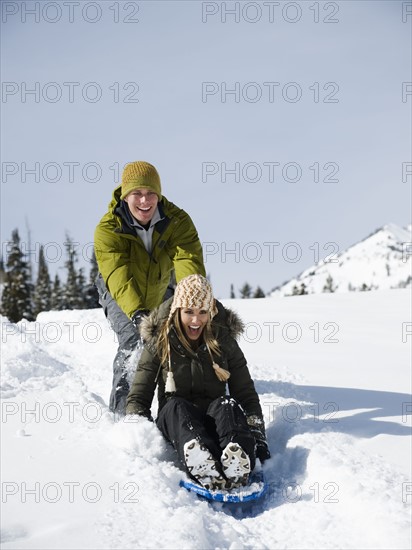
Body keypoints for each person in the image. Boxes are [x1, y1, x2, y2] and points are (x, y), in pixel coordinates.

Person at [126, 274, 270, 490]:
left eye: (202, 312)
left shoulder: (223, 341)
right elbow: (139, 395)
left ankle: (238, 457)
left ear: (210, 313)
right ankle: (201, 459)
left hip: (213, 417)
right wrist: (139, 437)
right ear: (177, 311)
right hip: (176, 421)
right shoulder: (160, 341)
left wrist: (258, 435)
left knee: (227, 404)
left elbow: (246, 393)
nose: (196, 320)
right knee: (175, 406)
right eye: (189, 312)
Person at [94, 161, 206, 415]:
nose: (145, 200)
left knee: (173, 340)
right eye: (137, 194)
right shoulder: (108, 228)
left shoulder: (177, 221)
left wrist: (192, 303)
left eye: (150, 193)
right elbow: (117, 274)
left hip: (158, 285)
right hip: (117, 290)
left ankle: (173, 415)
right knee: (134, 342)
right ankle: (125, 415)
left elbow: (188, 260)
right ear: (125, 195)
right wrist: (136, 313)